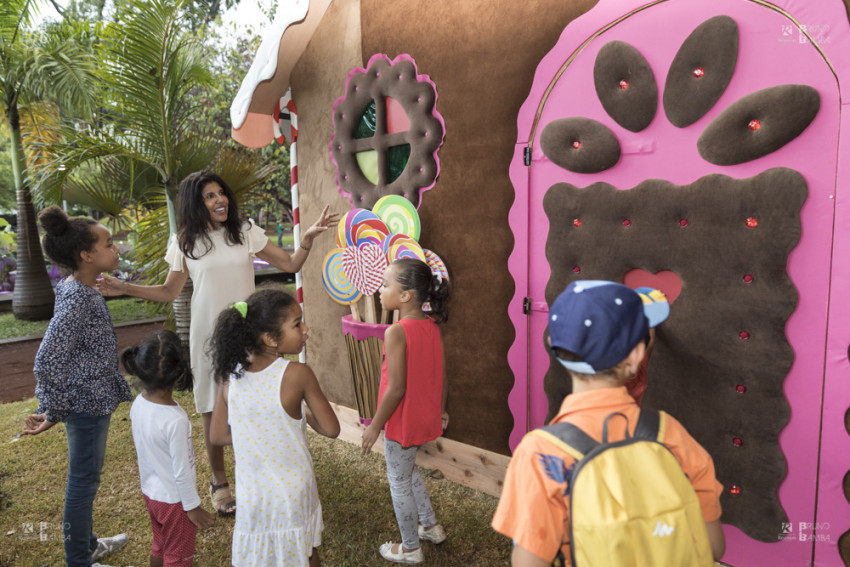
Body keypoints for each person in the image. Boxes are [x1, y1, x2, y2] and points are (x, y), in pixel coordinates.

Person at [97, 170, 338, 515]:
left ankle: (259, 472)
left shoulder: (245, 231)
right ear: (196, 203)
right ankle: (219, 481)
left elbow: (291, 263)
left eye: (220, 193)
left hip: (250, 333)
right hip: (208, 335)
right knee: (213, 407)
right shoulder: (184, 242)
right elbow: (169, 291)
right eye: (209, 196)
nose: (219, 200)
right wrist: (124, 287)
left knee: (255, 398)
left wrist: (309, 238)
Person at [492, 280, 725, 566]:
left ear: (555, 347)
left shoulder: (539, 454)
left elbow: (529, 563)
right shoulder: (671, 433)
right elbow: (713, 547)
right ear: (637, 355)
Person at [23, 205, 132, 567]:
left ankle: (87, 545)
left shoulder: (78, 287)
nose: (115, 249)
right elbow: (47, 360)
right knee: (83, 483)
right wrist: (54, 408)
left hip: (89, 399)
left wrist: (55, 409)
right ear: (86, 255)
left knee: (85, 479)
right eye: (108, 243)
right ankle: (78, 560)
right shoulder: (78, 300)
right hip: (85, 404)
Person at [208, 287, 340, 567]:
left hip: (253, 495)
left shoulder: (228, 378)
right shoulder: (297, 374)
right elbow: (331, 428)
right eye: (297, 324)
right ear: (270, 338)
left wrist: (255, 430)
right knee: (305, 550)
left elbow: (218, 435)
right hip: (293, 492)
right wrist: (303, 412)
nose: (306, 329)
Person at [361, 259, 451, 565]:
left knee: (398, 481)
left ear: (405, 296)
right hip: (423, 416)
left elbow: (396, 388)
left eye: (386, 284)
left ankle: (411, 548)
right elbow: (443, 373)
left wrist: (375, 426)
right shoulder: (431, 326)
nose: (379, 289)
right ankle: (431, 527)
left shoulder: (396, 331)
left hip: (401, 422)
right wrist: (441, 410)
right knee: (407, 470)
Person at [123, 330, 216, 566]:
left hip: (151, 494)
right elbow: (182, 471)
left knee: (160, 545)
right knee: (178, 558)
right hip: (175, 504)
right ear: (178, 374)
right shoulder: (176, 419)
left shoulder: (139, 404)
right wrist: (192, 507)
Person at [624, 286, 670, 406]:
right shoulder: (639, 370)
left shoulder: (636, 366)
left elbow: (650, 346)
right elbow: (649, 347)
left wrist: (652, 326)